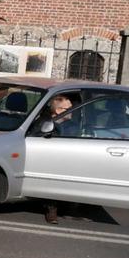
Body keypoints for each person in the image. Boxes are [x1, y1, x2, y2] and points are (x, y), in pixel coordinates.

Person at [42, 94, 74, 224]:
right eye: (69, 109)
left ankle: (74, 206)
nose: (73, 111)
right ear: (58, 111)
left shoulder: (73, 124)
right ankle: (51, 208)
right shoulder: (46, 124)